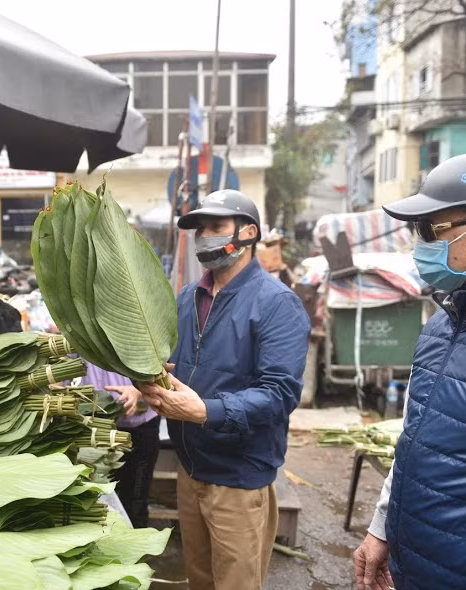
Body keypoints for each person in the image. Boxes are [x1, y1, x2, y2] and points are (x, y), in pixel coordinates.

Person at [353, 152, 466, 590]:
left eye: (431, 230)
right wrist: (381, 527)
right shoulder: (442, 322)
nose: (418, 244)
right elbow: (413, 437)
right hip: (413, 567)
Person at [129, 190, 310, 590]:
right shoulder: (186, 299)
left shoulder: (277, 303)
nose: (204, 236)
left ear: (248, 233)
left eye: (216, 227)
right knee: (201, 581)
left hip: (238, 480)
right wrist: (147, 379)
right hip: (190, 469)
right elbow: (168, 363)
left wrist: (204, 411)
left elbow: (279, 394)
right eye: (200, 229)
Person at [81, 364, 160, 529]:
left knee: (135, 502)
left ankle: (136, 549)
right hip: (92, 424)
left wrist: (138, 391)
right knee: (93, 497)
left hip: (137, 427)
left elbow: (167, 375)